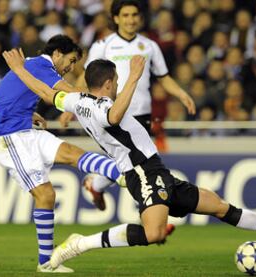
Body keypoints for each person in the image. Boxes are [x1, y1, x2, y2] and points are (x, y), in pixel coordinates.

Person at [2, 48, 256, 271]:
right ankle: (81, 244)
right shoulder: (101, 106)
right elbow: (114, 115)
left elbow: (44, 91)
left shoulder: (76, 100)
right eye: (118, 80)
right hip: (142, 172)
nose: (120, 84)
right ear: (109, 82)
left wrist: (19, 70)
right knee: (154, 233)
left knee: (218, 205)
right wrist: (135, 76)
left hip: (156, 170)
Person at [0, 35, 125, 273]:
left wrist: (26, 113)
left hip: (25, 128)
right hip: (10, 138)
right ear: (57, 54)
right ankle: (46, 263)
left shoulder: (31, 65)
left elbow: (5, 94)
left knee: (73, 153)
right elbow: (71, 95)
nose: (70, 68)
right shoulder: (42, 66)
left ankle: (125, 174)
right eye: (71, 61)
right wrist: (98, 103)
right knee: (46, 195)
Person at [70, 0, 197, 209]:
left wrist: (181, 94)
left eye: (134, 15)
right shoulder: (103, 45)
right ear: (116, 18)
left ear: (140, 18)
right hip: (113, 113)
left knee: (133, 163)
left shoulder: (149, 46)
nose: (131, 19)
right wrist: (72, 104)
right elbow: (86, 77)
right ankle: (150, 210)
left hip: (142, 113)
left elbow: (163, 77)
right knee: (134, 163)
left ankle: (97, 184)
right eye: (126, 15)